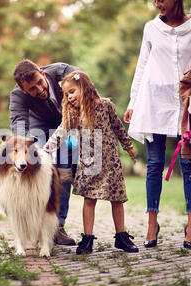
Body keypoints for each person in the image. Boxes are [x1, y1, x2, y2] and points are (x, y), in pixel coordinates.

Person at [123, 0, 191, 249]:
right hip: (153, 101)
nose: (157, 2)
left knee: (188, 162)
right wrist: (133, 102)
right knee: (155, 163)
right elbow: (142, 66)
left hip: (185, 103)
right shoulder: (150, 28)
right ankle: (151, 224)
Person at [43, 70, 139, 254]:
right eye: (66, 94)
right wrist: (46, 149)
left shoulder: (105, 105)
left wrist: (128, 146)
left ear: (84, 86)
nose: (69, 97)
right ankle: (87, 239)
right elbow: (61, 133)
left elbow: (118, 127)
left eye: (72, 91)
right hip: (89, 164)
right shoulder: (73, 113)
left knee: (117, 199)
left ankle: (121, 236)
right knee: (89, 199)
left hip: (111, 163)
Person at [9, 59, 78, 245]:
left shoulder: (63, 72)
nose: (39, 89)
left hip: (70, 126)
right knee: (39, 166)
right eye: (32, 89)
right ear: (23, 90)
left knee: (64, 170)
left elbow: (87, 90)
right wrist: (25, 152)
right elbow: (19, 125)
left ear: (42, 72)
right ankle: (35, 223)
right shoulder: (17, 96)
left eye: (40, 82)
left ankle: (58, 228)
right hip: (39, 129)